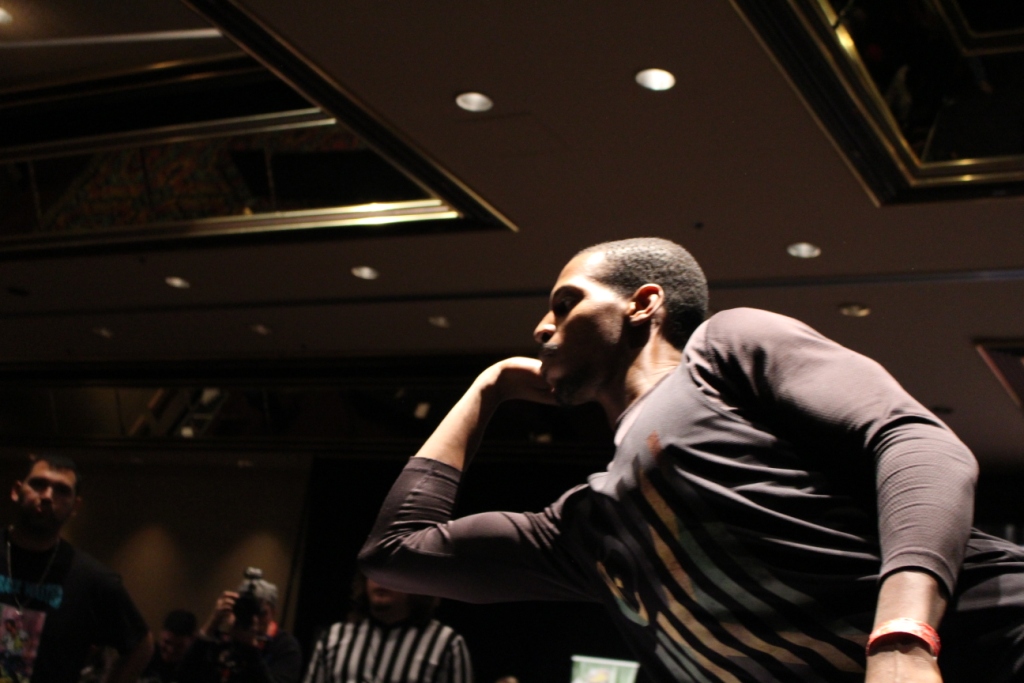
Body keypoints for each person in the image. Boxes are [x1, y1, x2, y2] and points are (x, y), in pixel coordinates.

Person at [359, 237, 1024, 683]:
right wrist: (487, 389)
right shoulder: (589, 527)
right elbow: (395, 553)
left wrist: (903, 637)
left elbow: (917, 441)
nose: (541, 328)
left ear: (644, 303)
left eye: (566, 303)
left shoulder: (720, 350)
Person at [0, 454, 153, 683]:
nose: (47, 496)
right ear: (16, 491)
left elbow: (141, 645)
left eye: (62, 490)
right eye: (38, 484)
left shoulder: (93, 580)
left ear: (75, 506)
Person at [304, 572, 472, 683]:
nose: (381, 579)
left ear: (415, 582)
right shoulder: (334, 638)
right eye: (376, 569)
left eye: (392, 571)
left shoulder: (446, 644)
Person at [177, 571, 302, 683]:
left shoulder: (285, 646)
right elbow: (184, 676)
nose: (254, 618)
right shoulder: (222, 638)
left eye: (261, 612)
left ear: (273, 613)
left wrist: (251, 649)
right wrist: (211, 624)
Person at [139, 609, 197, 682]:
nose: (171, 650)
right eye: (167, 642)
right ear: (161, 633)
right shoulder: (146, 654)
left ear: (192, 640)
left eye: (179, 646)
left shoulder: (194, 669)